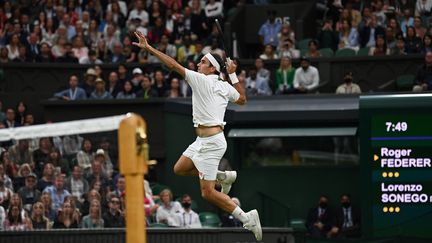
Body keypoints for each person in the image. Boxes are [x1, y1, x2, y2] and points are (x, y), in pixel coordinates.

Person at [133, 31, 262, 240]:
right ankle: (223, 175)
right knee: (180, 168)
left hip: (211, 142)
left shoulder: (201, 80)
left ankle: (247, 217)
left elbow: (173, 65)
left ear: (211, 68)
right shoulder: (224, 86)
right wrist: (232, 75)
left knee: (208, 193)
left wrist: (149, 48)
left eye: (202, 62)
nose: (198, 64)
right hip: (203, 140)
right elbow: (242, 99)